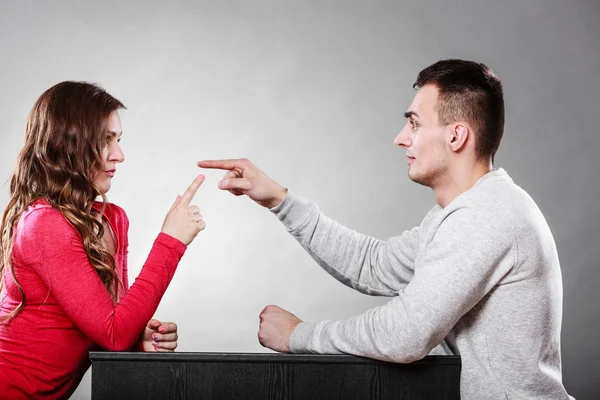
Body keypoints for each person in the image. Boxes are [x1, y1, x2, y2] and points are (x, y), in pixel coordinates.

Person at [198, 60, 573, 399]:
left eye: (414, 123)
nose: (401, 138)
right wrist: (279, 199)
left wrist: (298, 335)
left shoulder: (486, 216)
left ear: (456, 136)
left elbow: (404, 334)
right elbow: (373, 265)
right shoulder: (466, 212)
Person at [0, 81, 205, 399]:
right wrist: (170, 241)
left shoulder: (113, 219)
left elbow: (112, 323)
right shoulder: (42, 224)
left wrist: (140, 337)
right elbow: (113, 335)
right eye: (105, 140)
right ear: (67, 145)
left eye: (119, 139)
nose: (120, 155)